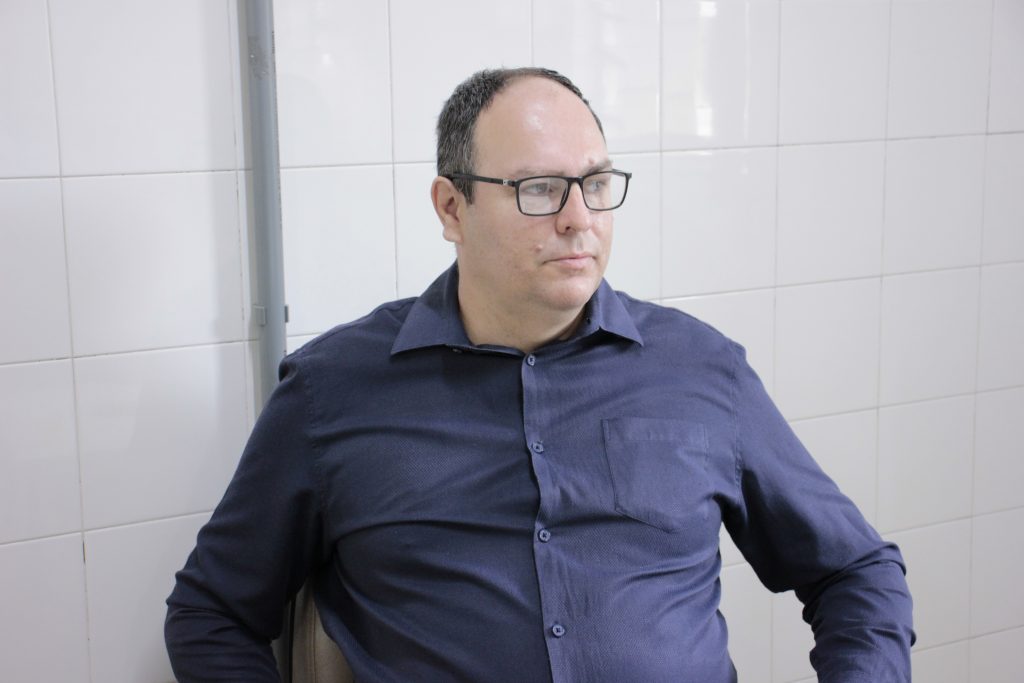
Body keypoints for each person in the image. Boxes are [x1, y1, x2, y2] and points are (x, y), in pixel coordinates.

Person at [166, 67, 914, 682]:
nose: (579, 218)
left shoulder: (701, 369)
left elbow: (856, 571)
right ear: (451, 207)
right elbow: (212, 612)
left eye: (596, 183)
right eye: (539, 189)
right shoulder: (333, 390)